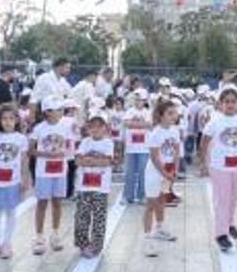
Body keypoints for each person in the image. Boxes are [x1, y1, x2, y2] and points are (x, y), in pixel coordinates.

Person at [201, 87, 237, 252]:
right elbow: (204, 142)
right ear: (220, 104)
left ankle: (229, 223)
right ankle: (221, 234)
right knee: (222, 200)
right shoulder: (215, 121)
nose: (230, 104)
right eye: (226, 101)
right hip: (219, 166)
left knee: (233, 198)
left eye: (233, 101)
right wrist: (203, 162)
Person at [0, 104, 30, 260]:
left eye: (11, 118)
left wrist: (25, 179)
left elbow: (23, 161)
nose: (8, 122)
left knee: (10, 212)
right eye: (4, 118)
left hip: (13, 182)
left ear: (16, 120)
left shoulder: (21, 139)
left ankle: (7, 243)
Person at [29, 96, 71, 255]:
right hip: (43, 172)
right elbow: (31, 150)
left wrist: (64, 153)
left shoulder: (65, 127)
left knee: (57, 202)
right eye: (58, 109)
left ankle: (55, 233)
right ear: (47, 112)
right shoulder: (39, 128)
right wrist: (45, 154)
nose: (61, 112)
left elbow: (70, 147)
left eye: (61, 109)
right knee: (42, 203)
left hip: (60, 170)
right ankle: (39, 236)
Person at [75, 111, 116, 259]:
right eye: (92, 126)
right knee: (81, 216)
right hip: (83, 186)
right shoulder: (85, 142)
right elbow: (78, 160)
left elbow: (107, 162)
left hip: (101, 187)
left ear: (105, 127)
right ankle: (82, 243)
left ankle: (96, 245)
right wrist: (96, 161)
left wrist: (89, 160)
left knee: (99, 218)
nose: (96, 129)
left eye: (99, 126)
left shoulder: (108, 143)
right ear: (88, 128)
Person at [143, 101, 180, 256]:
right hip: (155, 172)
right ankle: (147, 240)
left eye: (175, 113)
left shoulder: (175, 131)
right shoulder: (155, 133)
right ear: (161, 115)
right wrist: (165, 173)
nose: (174, 116)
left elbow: (176, 151)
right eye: (170, 113)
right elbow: (154, 157)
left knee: (162, 200)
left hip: (168, 171)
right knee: (150, 205)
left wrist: (175, 169)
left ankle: (160, 228)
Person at [121, 90, 152, 204]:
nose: (138, 102)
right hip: (131, 147)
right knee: (129, 172)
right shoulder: (129, 111)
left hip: (144, 148)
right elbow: (126, 123)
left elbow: (149, 124)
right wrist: (141, 125)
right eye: (136, 100)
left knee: (143, 172)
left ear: (144, 101)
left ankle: (142, 195)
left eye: (141, 100)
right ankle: (127, 196)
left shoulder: (148, 112)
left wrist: (134, 124)